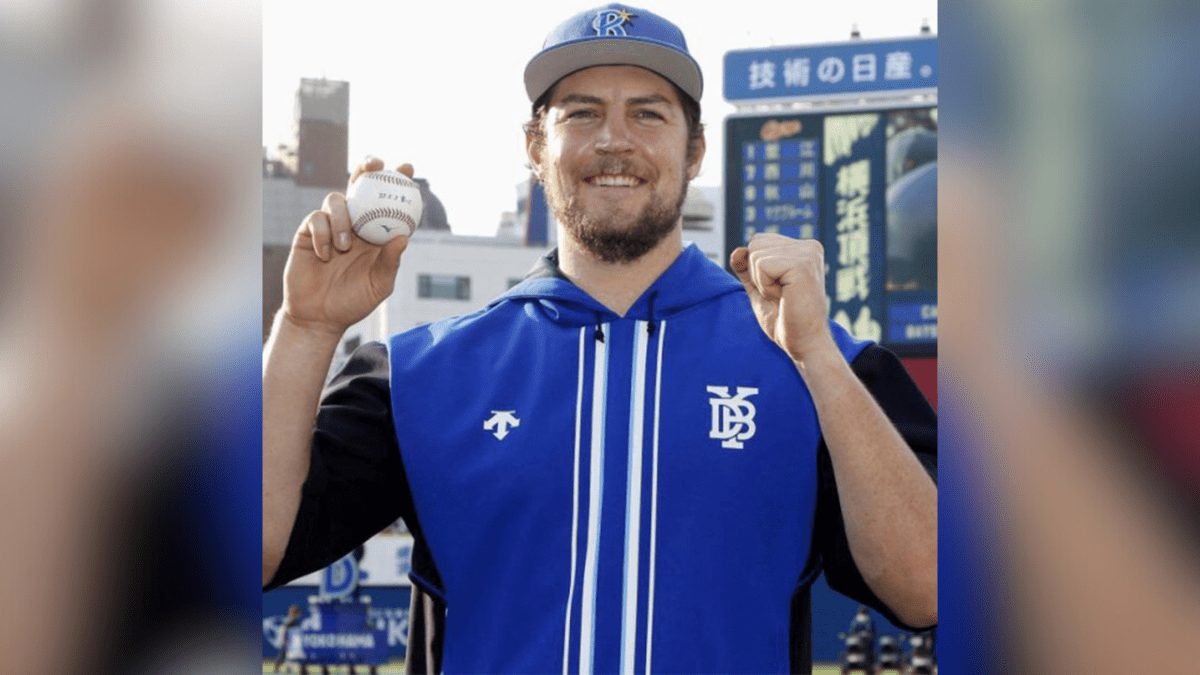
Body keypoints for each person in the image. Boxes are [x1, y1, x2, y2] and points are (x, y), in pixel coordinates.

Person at [262, 5, 937, 674]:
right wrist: (305, 326)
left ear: (694, 149)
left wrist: (817, 357)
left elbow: (928, 586)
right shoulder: (420, 375)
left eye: (648, 113)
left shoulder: (822, 366)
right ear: (535, 147)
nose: (615, 140)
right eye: (581, 113)